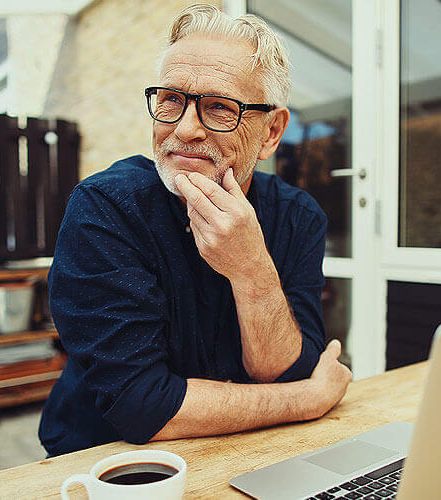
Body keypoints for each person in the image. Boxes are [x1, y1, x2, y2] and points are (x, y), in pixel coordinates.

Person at [38, 4, 352, 457]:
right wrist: (308, 399)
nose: (185, 129)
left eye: (219, 108)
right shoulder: (106, 209)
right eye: (171, 99)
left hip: (252, 449)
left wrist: (252, 270)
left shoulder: (297, 215)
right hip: (109, 464)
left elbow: (285, 369)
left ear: (270, 132)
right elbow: (141, 405)